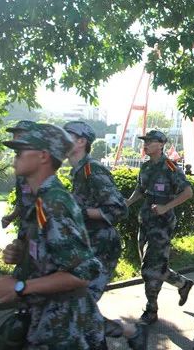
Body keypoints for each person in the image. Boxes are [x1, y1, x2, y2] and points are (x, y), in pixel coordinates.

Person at [0, 123, 107, 348]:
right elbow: (53, 255)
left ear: (43, 156)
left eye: (20, 151)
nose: (15, 157)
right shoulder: (41, 199)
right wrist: (22, 253)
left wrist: (19, 287)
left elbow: (81, 274)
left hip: (63, 330)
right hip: (48, 321)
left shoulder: (53, 203)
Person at [63, 121, 146, 348]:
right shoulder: (78, 171)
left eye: (66, 134)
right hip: (86, 247)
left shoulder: (92, 170)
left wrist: (77, 211)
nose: (61, 138)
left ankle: (130, 332)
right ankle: (131, 333)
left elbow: (119, 209)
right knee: (80, 306)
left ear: (81, 142)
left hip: (102, 247)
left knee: (82, 306)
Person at [126, 130, 194, 325]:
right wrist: (128, 202)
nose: (145, 145)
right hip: (145, 220)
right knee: (153, 265)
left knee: (149, 268)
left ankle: (151, 309)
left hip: (162, 225)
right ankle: (182, 283)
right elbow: (140, 189)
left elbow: (188, 192)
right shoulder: (146, 166)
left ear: (161, 144)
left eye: (149, 141)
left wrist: (166, 207)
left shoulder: (170, 167)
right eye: (145, 141)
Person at [0, 120, 37, 235]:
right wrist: (10, 217)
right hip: (25, 230)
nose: (15, 139)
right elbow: (22, 201)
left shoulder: (39, 164)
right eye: (14, 136)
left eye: (20, 135)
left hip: (40, 233)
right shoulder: (21, 168)